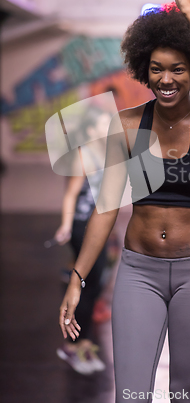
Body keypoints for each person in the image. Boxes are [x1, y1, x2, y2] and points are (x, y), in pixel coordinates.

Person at [59, 0, 190, 401]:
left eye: (178, 69)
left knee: (185, 392)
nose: (167, 79)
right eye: (158, 68)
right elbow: (107, 206)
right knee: (130, 393)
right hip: (137, 271)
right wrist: (78, 277)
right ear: (144, 69)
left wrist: (189, 10)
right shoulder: (125, 126)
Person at [55, 108, 111, 374]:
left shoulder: (107, 154)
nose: (109, 127)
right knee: (85, 285)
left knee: (93, 285)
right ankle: (72, 344)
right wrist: (66, 225)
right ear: (90, 131)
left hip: (99, 227)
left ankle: (83, 341)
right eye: (103, 124)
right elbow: (70, 195)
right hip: (82, 227)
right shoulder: (84, 155)